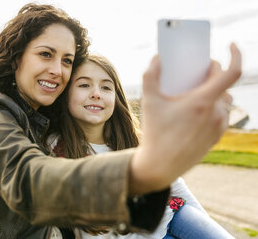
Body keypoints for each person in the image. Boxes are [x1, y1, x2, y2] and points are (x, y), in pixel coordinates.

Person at [0, 2, 242, 239]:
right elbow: (30, 184)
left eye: (66, 60)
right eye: (45, 54)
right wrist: (147, 165)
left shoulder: (40, 121)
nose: (58, 69)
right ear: (16, 57)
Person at [47, 54, 234, 238]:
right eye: (84, 85)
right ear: (66, 94)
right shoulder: (57, 147)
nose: (96, 93)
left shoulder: (132, 141)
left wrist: (206, 225)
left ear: (116, 97)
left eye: (106, 87)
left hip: (175, 215)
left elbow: (176, 186)